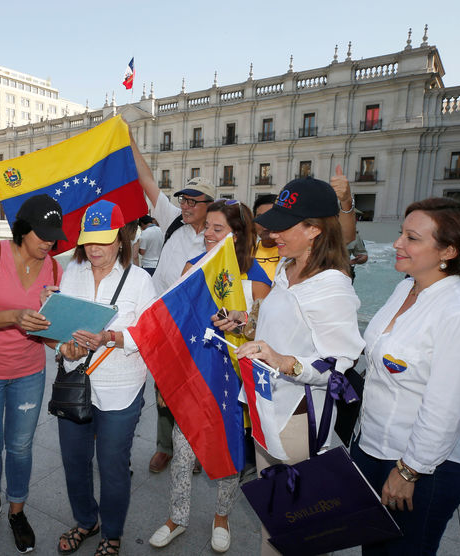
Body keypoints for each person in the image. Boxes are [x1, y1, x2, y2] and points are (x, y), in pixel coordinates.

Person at [213, 177, 365, 556]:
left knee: (295, 526)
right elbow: (282, 328)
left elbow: (338, 367)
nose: (272, 231)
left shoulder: (332, 286)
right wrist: (244, 322)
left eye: (285, 225)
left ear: (314, 229)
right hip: (268, 407)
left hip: (298, 420)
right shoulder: (287, 267)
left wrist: (284, 362)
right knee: (276, 517)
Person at [351, 198, 460, 555]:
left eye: (411, 237)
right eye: (401, 234)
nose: (397, 243)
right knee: (373, 549)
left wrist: (409, 471)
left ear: (450, 250)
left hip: (425, 469)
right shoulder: (406, 288)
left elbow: (447, 408)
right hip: (373, 449)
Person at [150, 199, 271, 553]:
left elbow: (267, 336)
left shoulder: (258, 278)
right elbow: (177, 325)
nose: (207, 234)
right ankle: (177, 517)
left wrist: (243, 323)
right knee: (183, 452)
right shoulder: (192, 267)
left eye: (218, 228)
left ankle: (221, 516)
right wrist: (167, 379)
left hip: (235, 385)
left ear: (237, 234)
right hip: (195, 376)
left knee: (230, 453)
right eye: (208, 228)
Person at [0, 193, 65, 553]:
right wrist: (15, 316)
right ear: (22, 229)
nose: (48, 242)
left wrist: (64, 340)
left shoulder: (53, 268)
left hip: (28, 372)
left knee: (20, 447)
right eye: (42, 234)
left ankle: (17, 510)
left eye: (54, 235)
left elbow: (48, 329)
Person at [52, 201, 157, 556]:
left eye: (104, 240)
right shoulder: (72, 273)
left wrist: (110, 338)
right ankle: (86, 521)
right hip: (76, 381)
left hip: (121, 387)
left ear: (121, 239)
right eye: (89, 240)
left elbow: (149, 334)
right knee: (73, 461)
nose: (95, 248)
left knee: (112, 465)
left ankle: (111, 533)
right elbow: (60, 328)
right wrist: (64, 349)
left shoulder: (141, 281)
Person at [129, 131, 214, 474]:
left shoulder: (221, 237)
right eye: (184, 199)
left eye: (194, 201)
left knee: (195, 389)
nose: (186, 205)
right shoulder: (172, 220)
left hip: (198, 326)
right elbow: (146, 177)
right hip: (165, 321)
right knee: (164, 385)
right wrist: (129, 139)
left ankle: (194, 446)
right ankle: (165, 446)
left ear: (211, 204)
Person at [253, 195, 279, 281]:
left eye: (271, 217)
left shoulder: (293, 256)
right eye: (260, 217)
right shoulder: (245, 251)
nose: (265, 223)